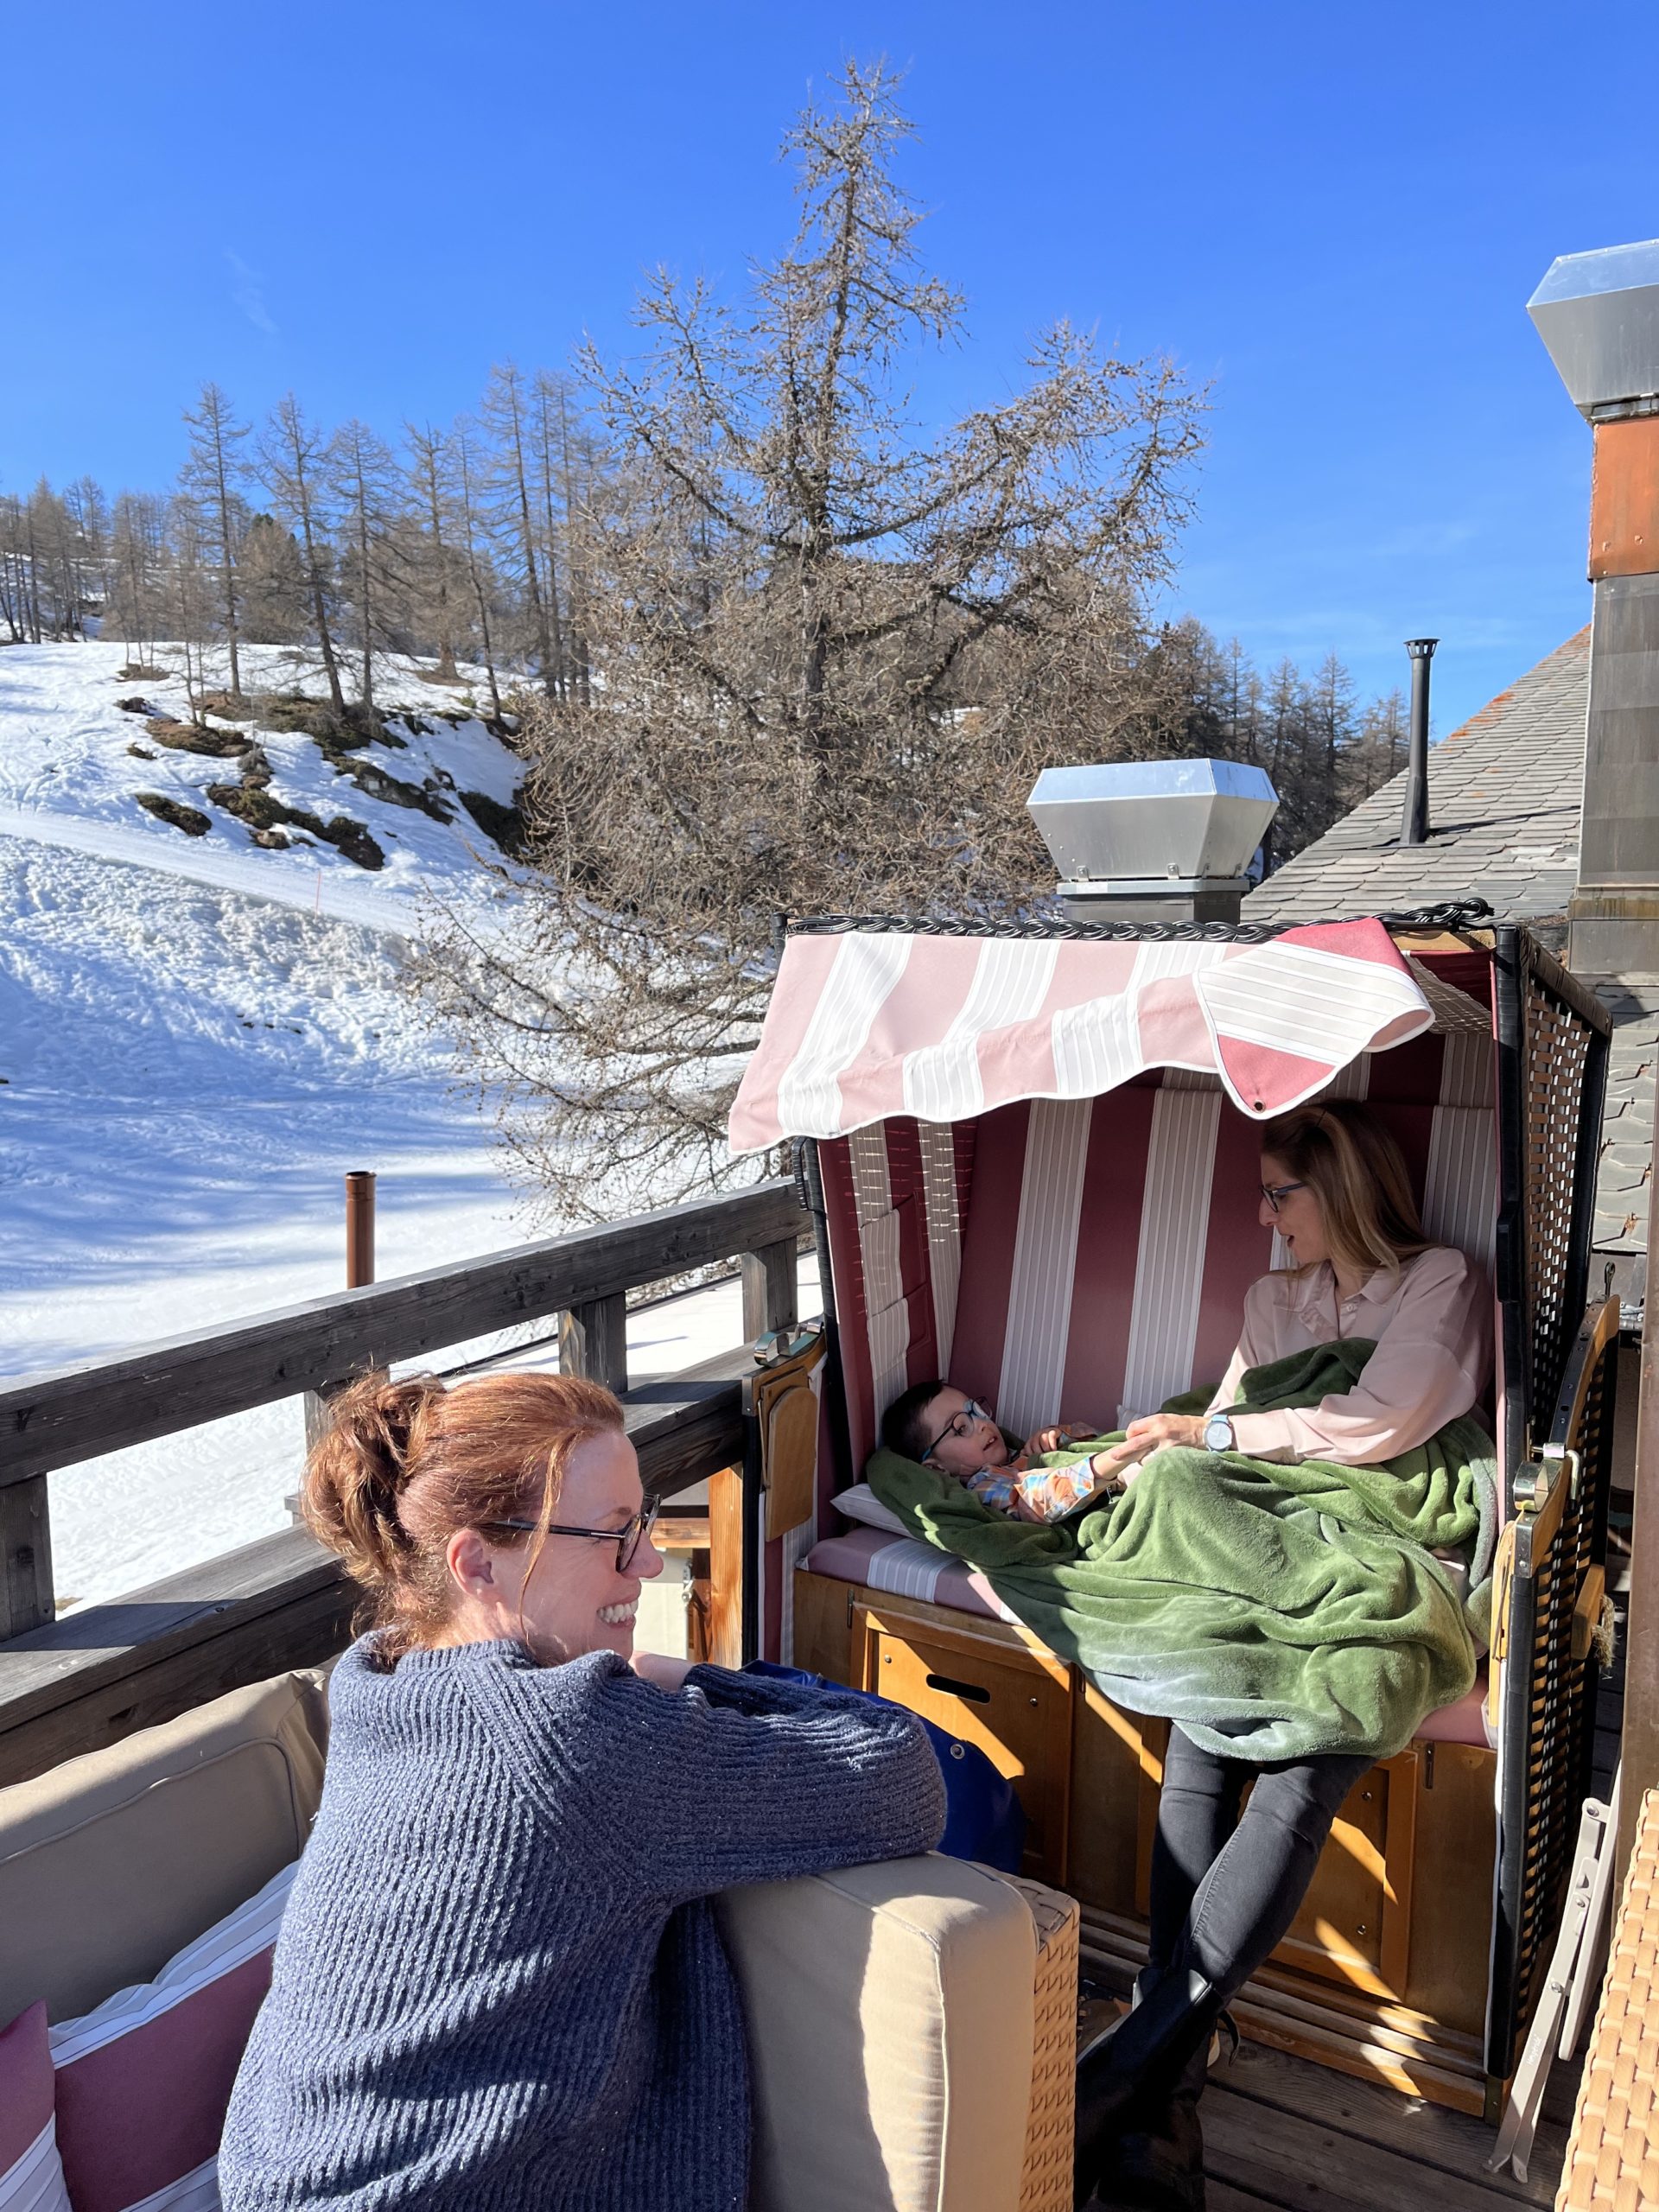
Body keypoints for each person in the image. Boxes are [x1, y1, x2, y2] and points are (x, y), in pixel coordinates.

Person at [219, 1369, 944, 2212]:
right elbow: (902, 1772)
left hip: (272, 2175)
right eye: (611, 1535)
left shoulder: (379, 1679)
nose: (650, 1560)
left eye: (643, 1522)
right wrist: (690, 1676)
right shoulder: (575, 1741)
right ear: (476, 1563)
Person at [1075, 1099, 1492, 2212]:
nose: (1264, 1218)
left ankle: (1140, 2057)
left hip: (1380, 1541)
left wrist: (1209, 1436)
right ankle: (1157, 2087)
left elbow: (1381, 1421)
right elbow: (1221, 1433)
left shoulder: (1439, 1279)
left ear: (1341, 1185)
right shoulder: (1272, 1302)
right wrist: (1129, 1461)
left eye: (1278, 1193)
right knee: (1203, 1717)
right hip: (1269, 1540)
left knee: (1309, 1754)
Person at [880, 1378, 1120, 1522]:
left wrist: (1059, 1435)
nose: (982, 1424)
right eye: (961, 1427)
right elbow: (1034, 1500)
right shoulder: (982, 1484)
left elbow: (1099, 1438)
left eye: (975, 1411)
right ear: (936, 1468)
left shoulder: (1021, 1453)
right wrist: (1105, 1465)